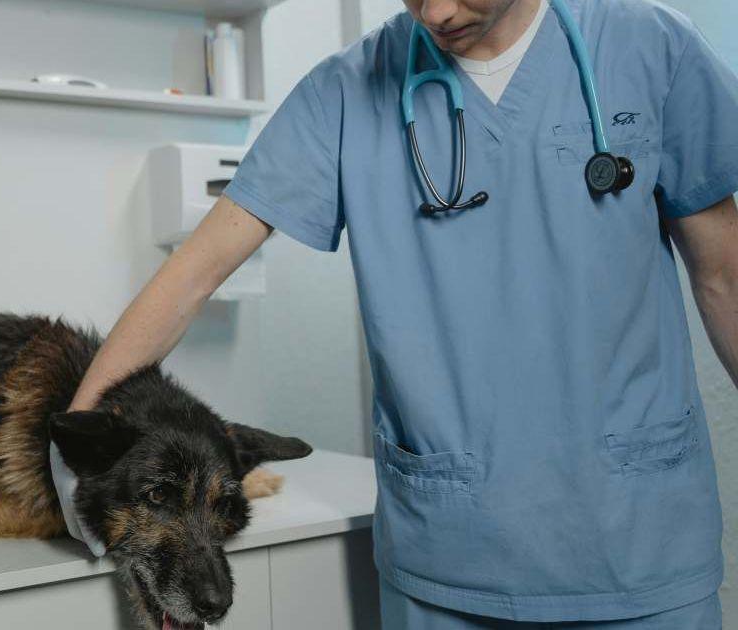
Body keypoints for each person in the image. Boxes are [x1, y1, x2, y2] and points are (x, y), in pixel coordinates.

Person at [55, 0, 738, 626]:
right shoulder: (346, 90)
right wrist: (72, 448)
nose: (436, 11)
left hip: (639, 548)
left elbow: (724, 278)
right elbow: (191, 276)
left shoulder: (650, 49)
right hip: (447, 559)